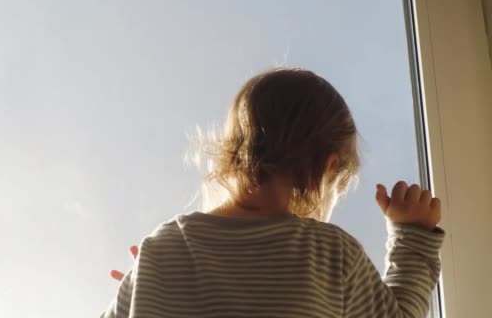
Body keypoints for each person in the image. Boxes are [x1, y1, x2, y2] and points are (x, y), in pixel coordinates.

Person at [102, 67, 444, 318]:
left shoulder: (159, 248)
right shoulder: (330, 254)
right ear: (324, 169)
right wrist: (412, 237)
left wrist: (137, 288)